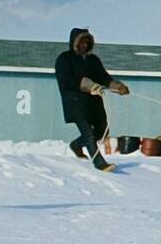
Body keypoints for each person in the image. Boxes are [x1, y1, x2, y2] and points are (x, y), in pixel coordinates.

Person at [54, 27, 129, 170]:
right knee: (88, 133)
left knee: (102, 131)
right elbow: (66, 81)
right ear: (75, 42)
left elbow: (104, 77)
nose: (85, 45)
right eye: (82, 42)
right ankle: (99, 163)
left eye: (87, 42)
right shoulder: (64, 59)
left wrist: (118, 86)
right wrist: (88, 85)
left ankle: (76, 145)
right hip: (75, 102)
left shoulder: (93, 60)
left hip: (94, 102)